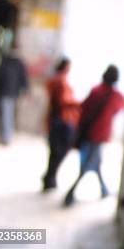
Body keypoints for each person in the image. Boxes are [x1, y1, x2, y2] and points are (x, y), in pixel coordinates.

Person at [64, 65, 124, 206]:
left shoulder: (96, 91)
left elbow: (84, 109)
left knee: (95, 163)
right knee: (88, 164)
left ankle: (103, 189)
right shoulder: (115, 96)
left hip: (90, 132)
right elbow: (122, 106)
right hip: (99, 134)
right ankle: (70, 194)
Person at [42, 58, 80, 191]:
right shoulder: (60, 81)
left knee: (55, 151)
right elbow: (63, 101)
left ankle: (50, 177)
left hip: (58, 118)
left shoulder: (58, 80)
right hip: (61, 119)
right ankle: (49, 177)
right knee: (59, 150)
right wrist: (78, 104)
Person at [0, 47, 28, 145]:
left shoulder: (18, 64)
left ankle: (6, 137)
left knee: (7, 114)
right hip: (6, 92)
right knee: (6, 114)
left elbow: (23, 78)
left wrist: (25, 90)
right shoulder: (6, 62)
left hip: (11, 93)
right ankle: (4, 135)